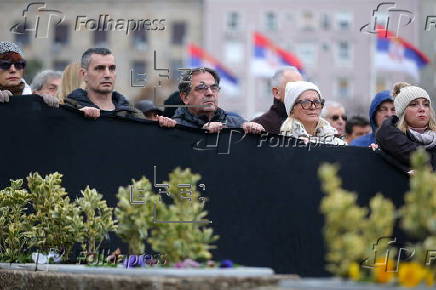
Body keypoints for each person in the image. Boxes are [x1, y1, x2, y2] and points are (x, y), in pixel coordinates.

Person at [64, 47, 175, 127]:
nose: (107, 74)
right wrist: (76, 116)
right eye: (99, 68)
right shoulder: (67, 110)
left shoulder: (133, 114)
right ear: (84, 74)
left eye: (112, 68)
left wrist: (162, 128)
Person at [173, 67, 264, 134]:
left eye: (214, 88)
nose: (210, 93)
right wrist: (202, 133)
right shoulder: (172, 128)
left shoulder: (238, 124)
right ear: (185, 97)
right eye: (201, 88)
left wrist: (255, 133)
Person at [376, 82, 436, 172]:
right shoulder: (390, 141)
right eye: (413, 104)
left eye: (426, 104)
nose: (422, 109)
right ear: (402, 111)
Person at [279, 81, 346, 145]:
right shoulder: (282, 143)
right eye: (306, 102)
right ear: (292, 109)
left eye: (317, 102)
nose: (313, 107)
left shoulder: (338, 143)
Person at [0, 41, 59, 107]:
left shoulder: (36, 101)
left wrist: (44, 107)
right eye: (5, 64)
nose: (13, 70)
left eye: (19, 64)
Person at [251, 66, 303, 134]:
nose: (300, 91)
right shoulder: (258, 127)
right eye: (293, 87)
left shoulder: (312, 121)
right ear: (276, 93)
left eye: (302, 87)